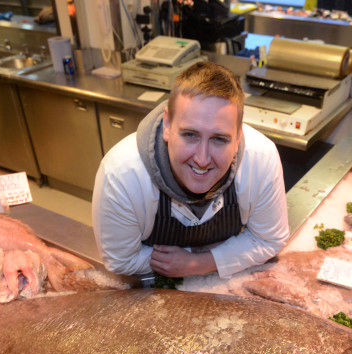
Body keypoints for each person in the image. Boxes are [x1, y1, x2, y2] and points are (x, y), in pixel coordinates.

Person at [92, 61, 289, 279]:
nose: (202, 159)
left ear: (238, 135)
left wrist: (197, 262)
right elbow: (121, 261)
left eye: (219, 139)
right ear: (167, 125)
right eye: (190, 135)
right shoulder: (122, 175)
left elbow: (270, 239)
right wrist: (220, 250)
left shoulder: (260, 159)